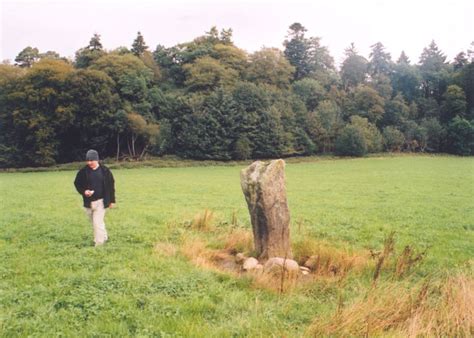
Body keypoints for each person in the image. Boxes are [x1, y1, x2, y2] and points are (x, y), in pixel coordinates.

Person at [74, 149, 115, 246]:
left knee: (97, 223)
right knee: (95, 223)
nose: (89, 162)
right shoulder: (83, 172)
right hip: (89, 203)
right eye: (87, 160)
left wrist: (111, 201)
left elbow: (111, 186)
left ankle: (99, 244)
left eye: (91, 160)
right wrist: (84, 191)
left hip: (101, 201)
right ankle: (104, 237)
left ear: (97, 160)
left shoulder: (105, 171)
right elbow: (77, 183)